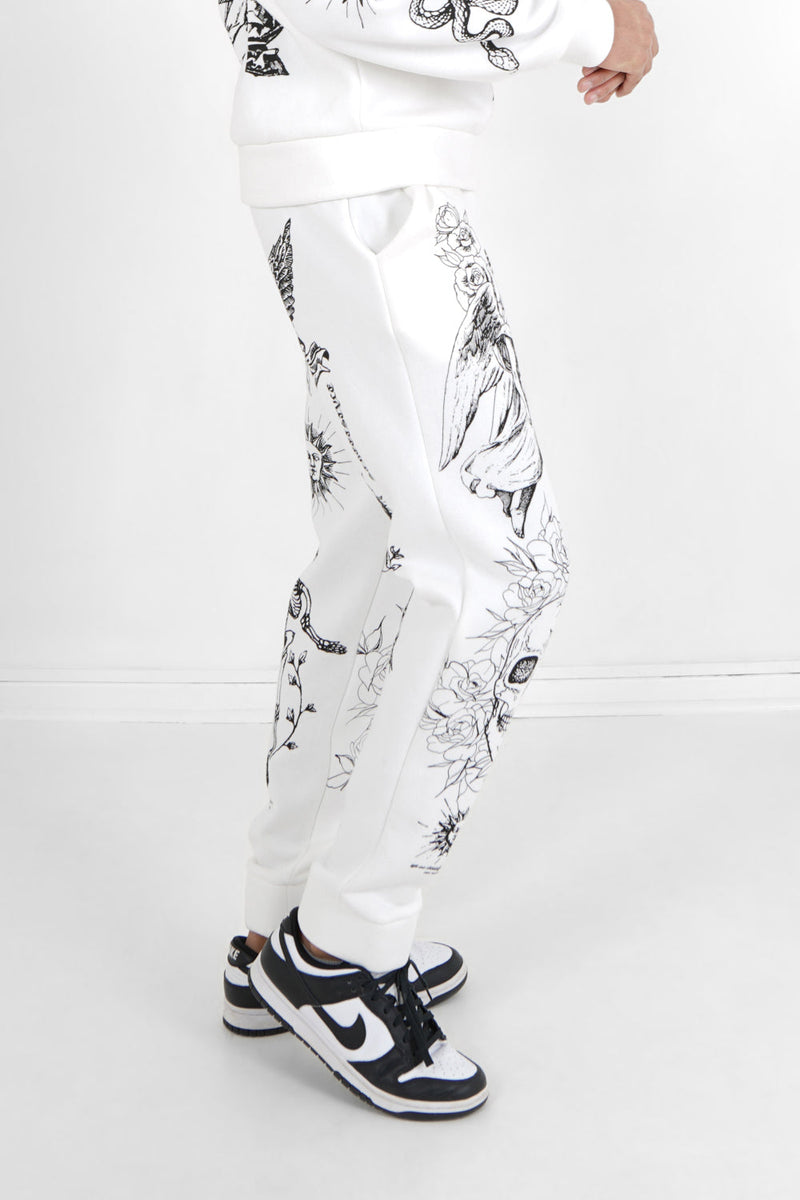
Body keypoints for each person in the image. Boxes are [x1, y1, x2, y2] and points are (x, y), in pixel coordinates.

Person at [216, 0, 658, 1119]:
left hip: (343, 163)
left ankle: (279, 923)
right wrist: (589, 20)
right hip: (368, 181)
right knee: (504, 570)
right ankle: (341, 951)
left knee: (371, 554)